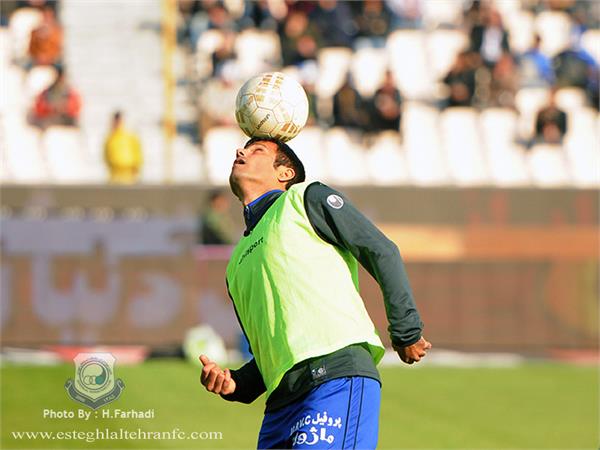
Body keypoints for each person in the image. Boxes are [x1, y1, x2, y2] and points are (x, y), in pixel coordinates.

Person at [199, 137, 431, 449]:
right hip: (279, 405)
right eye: (242, 148)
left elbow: (381, 250)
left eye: (257, 151)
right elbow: (270, 354)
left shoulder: (305, 197)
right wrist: (236, 384)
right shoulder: (236, 261)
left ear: (286, 173)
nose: (240, 151)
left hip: (335, 377)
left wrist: (406, 330)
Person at [30, 65, 81, 129]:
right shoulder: (46, 93)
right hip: (50, 121)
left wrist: (64, 108)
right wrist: (49, 109)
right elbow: (39, 108)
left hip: (66, 121)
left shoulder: (69, 92)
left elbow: (75, 107)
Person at [104, 111, 143, 183]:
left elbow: (138, 153)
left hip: (129, 174)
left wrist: (136, 169)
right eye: (116, 121)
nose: (117, 123)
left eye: (119, 121)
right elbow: (106, 155)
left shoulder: (130, 136)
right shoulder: (109, 138)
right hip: (114, 174)